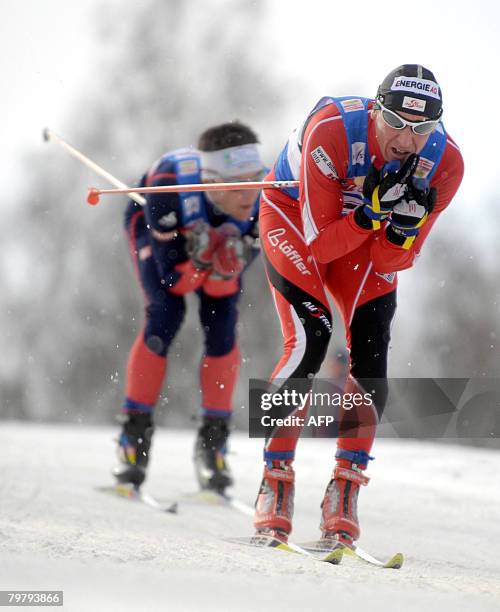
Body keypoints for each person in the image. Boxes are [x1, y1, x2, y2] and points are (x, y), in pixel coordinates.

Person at [253, 65, 464, 544]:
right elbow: (318, 248)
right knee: (310, 339)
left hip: (362, 236)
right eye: (396, 122)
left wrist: (400, 229)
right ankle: (275, 479)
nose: (408, 141)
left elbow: (394, 260)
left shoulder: (445, 165)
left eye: (423, 128)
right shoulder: (332, 129)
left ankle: (344, 491)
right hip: (294, 218)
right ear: (376, 110)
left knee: (371, 356)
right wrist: (369, 214)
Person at [114, 122, 265, 493]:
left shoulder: (265, 200)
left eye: (255, 179)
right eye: (236, 185)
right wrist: (199, 259)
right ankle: (134, 436)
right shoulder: (169, 188)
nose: (249, 196)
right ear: (212, 180)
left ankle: (213, 443)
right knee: (167, 315)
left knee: (223, 323)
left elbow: (226, 280)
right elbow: (173, 281)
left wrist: (225, 262)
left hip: (204, 240)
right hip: (154, 225)